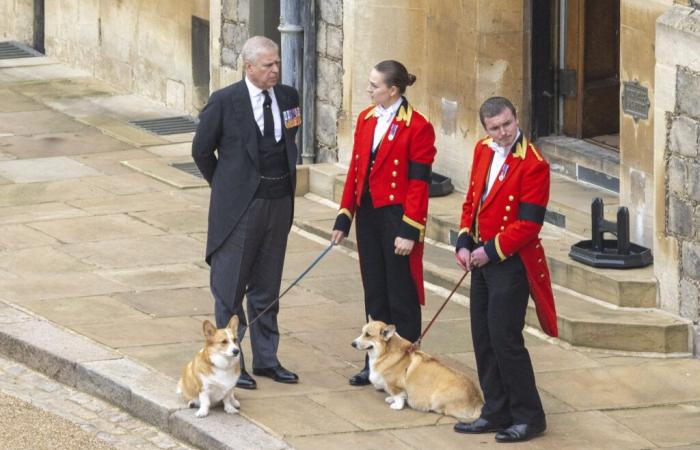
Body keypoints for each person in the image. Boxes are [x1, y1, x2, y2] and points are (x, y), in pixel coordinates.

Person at [191, 36, 302, 390]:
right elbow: (201, 152)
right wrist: (227, 187)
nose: (275, 70)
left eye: (277, 64)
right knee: (230, 287)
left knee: (267, 287)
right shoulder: (224, 102)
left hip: (278, 203)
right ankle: (228, 362)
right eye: (268, 65)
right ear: (248, 66)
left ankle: (267, 359)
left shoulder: (288, 98)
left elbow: (290, 138)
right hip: (240, 208)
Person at [453, 97, 557, 443]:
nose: (503, 133)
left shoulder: (534, 164)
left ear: (516, 118)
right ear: (486, 128)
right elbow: (473, 200)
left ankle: (529, 416)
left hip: (511, 264)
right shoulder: (483, 149)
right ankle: (496, 410)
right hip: (481, 258)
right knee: (482, 337)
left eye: (507, 125)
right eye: (495, 128)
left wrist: (489, 250)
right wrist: (464, 241)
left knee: (505, 339)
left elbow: (529, 225)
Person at [331, 60, 437, 386]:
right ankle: (375, 363)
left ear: (393, 90)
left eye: (375, 85)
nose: (369, 89)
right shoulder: (365, 119)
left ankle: (406, 367)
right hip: (369, 216)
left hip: (398, 217)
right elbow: (356, 172)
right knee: (375, 291)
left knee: (400, 294)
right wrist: (344, 215)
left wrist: (410, 229)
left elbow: (419, 183)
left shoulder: (417, 126)